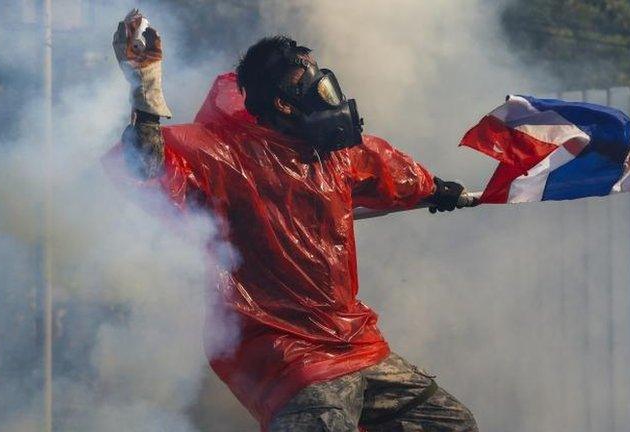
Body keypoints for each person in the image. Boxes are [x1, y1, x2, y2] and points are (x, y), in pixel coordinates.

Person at [111, 10, 477, 432]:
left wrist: (438, 190)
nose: (327, 93)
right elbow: (145, 167)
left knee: (450, 424)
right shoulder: (221, 156)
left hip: (352, 340)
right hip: (286, 352)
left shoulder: (330, 156)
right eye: (313, 84)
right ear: (284, 102)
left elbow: (388, 169)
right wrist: (145, 90)